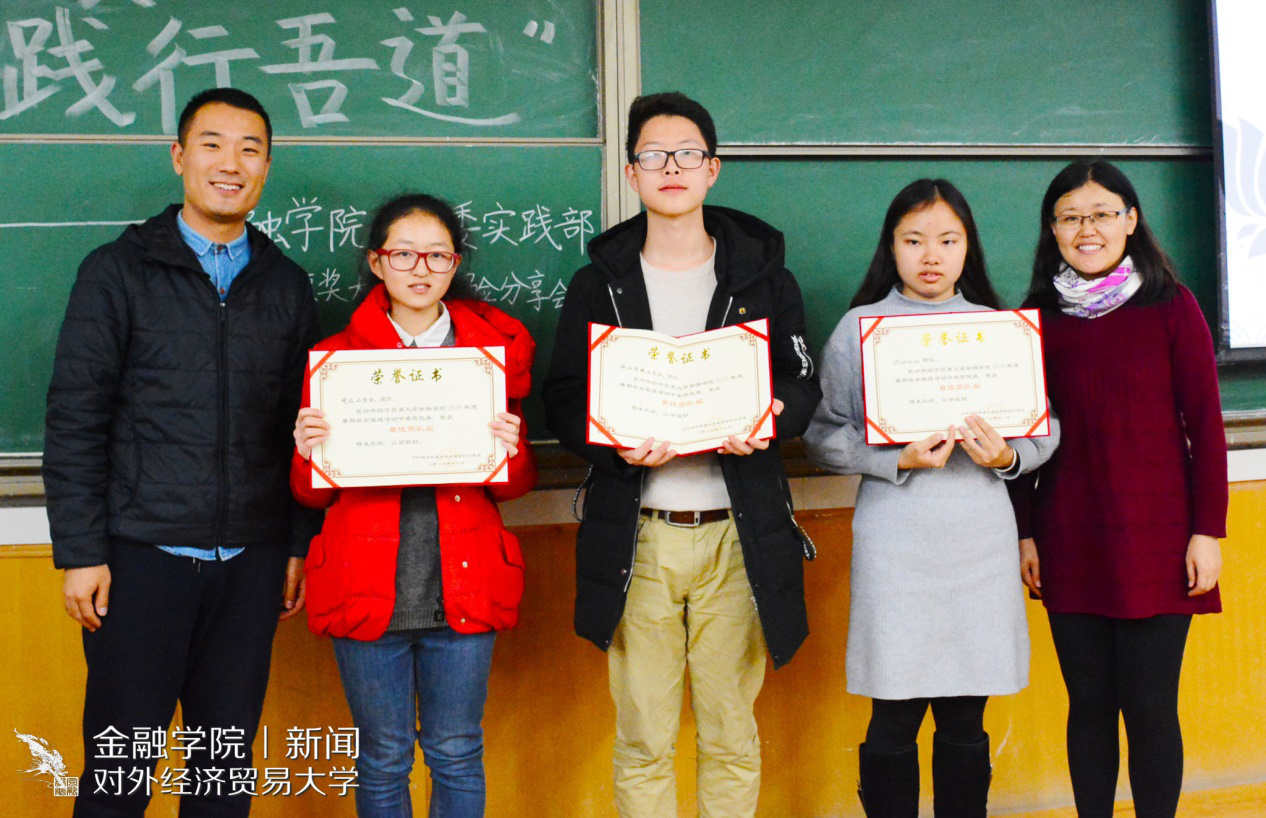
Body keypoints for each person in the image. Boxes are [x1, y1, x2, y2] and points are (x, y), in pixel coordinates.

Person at [542, 91, 821, 818]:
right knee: (643, 737)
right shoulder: (599, 284)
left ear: (712, 169)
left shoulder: (764, 278)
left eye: (688, 154)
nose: (672, 167)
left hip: (737, 531)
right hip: (638, 536)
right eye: (654, 155)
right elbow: (564, 399)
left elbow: (801, 383)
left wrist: (772, 418)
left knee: (731, 734)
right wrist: (612, 443)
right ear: (631, 172)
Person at [44, 87, 320, 817]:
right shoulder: (117, 271)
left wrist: (296, 543)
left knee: (223, 778)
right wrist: (80, 551)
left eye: (250, 149)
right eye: (212, 144)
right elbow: (75, 416)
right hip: (140, 560)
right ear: (178, 157)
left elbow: (302, 427)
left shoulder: (286, 284)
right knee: (119, 774)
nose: (231, 163)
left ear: (266, 167)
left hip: (251, 563)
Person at [803, 179, 1060, 818]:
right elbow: (823, 436)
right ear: (891, 247)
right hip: (897, 544)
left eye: (947, 240)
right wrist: (893, 459)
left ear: (967, 247)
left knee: (966, 717)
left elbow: (1046, 428)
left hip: (979, 541)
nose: (930, 256)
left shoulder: (999, 330)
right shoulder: (860, 329)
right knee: (893, 712)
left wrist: (1006, 458)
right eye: (913, 240)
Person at [291, 193, 536, 818]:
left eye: (437, 255)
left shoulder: (486, 360)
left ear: (456, 264)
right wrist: (306, 451)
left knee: (456, 750)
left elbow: (511, 488)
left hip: (465, 584)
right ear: (377, 262)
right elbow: (312, 494)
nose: (420, 269)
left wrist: (512, 449)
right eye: (403, 254)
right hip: (366, 585)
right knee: (382, 756)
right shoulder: (337, 362)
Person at [1010, 160, 1226, 818]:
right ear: (1052, 229)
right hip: (1068, 536)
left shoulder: (1172, 305)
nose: (1088, 229)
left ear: (1131, 221)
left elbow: (1207, 425)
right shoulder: (1032, 320)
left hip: (1160, 537)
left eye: (1103, 214)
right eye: (1071, 217)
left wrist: (1208, 531)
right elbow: (1018, 438)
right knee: (1090, 705)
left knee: (1152, 707)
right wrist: (1024, 533)